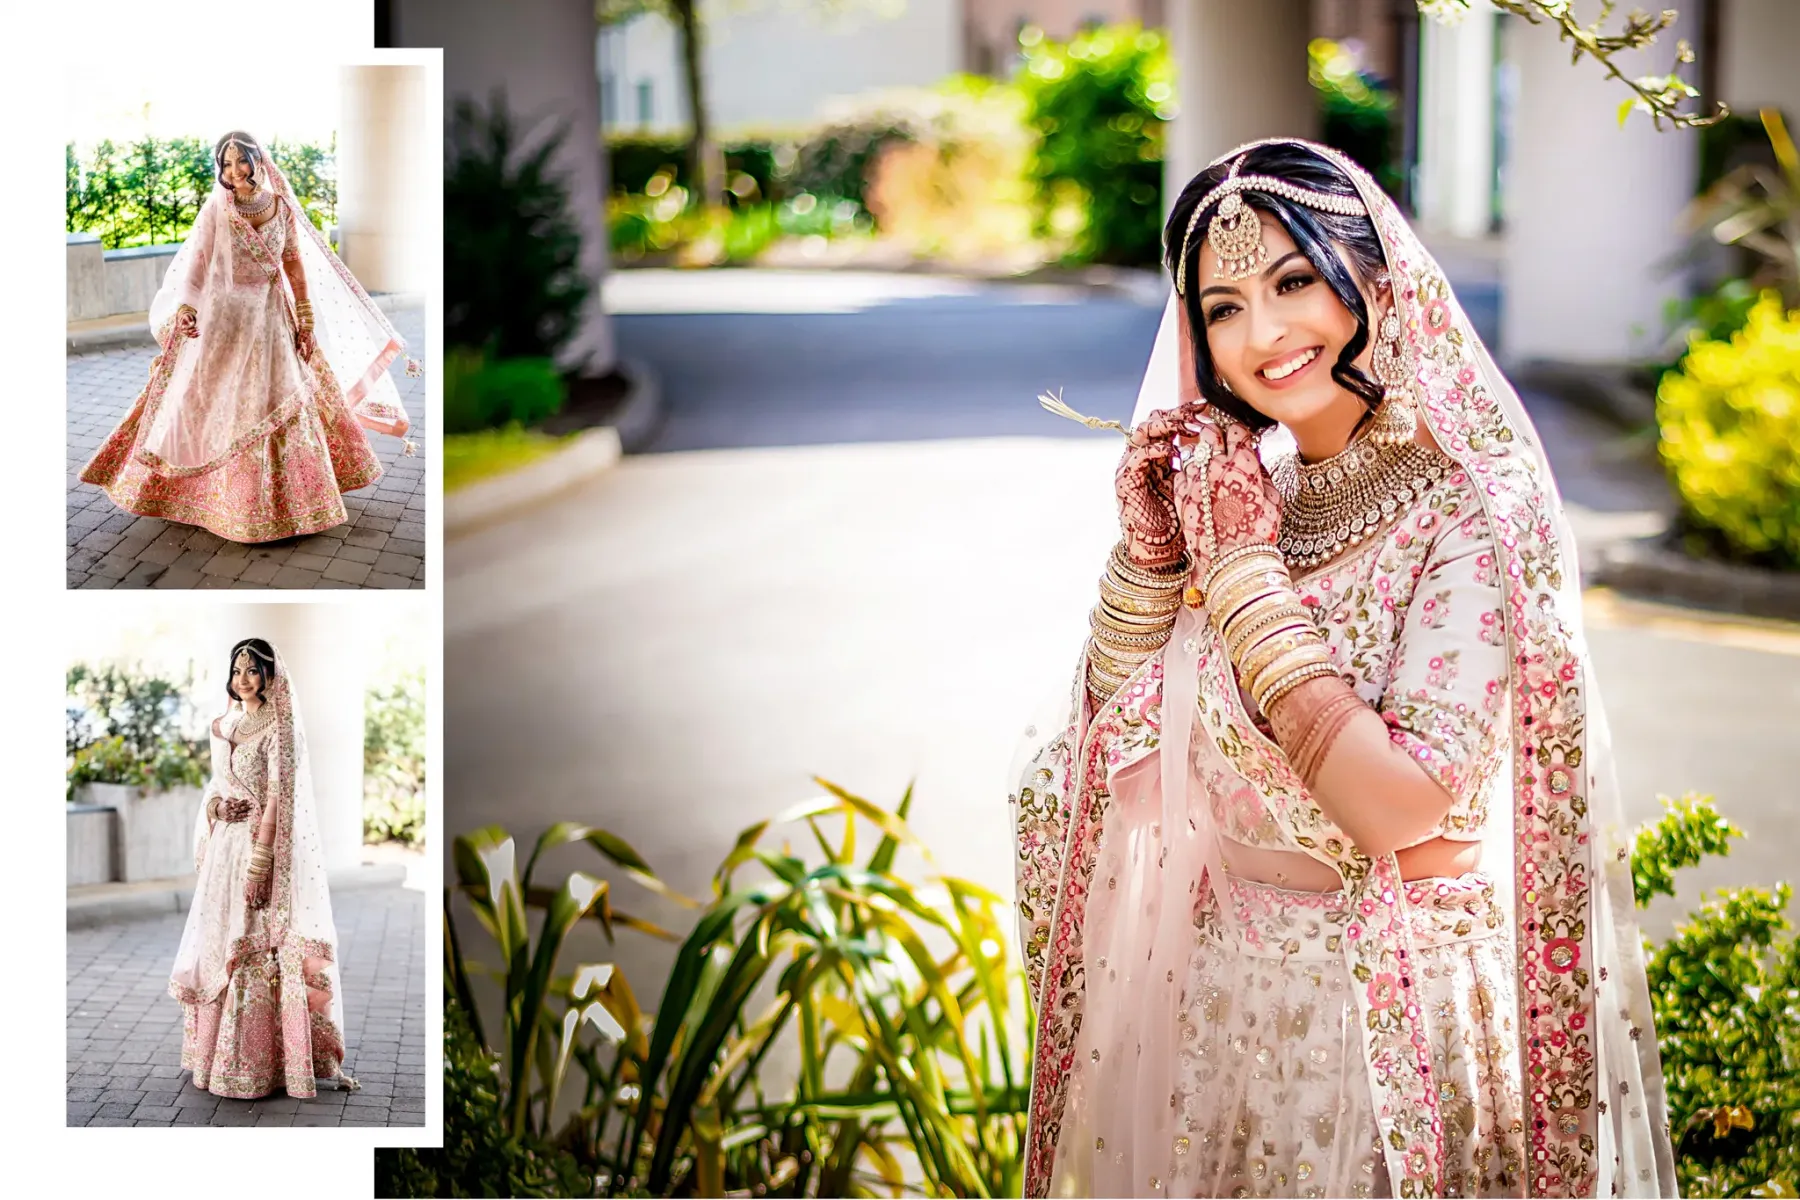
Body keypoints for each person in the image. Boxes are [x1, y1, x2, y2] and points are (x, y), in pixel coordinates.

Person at [1010, 139, 1675, 1198]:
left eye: (1291, 282)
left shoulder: (1474, 508)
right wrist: (1149, 562)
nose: (1262, 334)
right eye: (1222, 307)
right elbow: (1104, 757)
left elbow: (1400, 806)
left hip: (1389, 1024)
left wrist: (1237, 577)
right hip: (1222, 1015)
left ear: (1375, 277)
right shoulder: (1244, 486)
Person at [80, 131, 416, 544]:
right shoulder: (217, 209)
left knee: (277, 398)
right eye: (226, 163)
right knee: (217, 401)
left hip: (272, 317)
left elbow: (294, 267)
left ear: (259, 161)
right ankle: (220, 502)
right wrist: (187, 307)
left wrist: (305, 320)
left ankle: (292, 505)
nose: (234, 170)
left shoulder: (280, 208)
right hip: (224, 321)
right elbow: (197, 266)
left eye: (241, 160)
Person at [168, 638, 359, 1098]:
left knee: (254, 945)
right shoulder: (225, 724)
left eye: (253, 670)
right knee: (222, 940)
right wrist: (215, 808)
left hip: (259, 850)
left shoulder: (280, 728)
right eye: (237, 670)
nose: (243, 679)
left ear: (270, 675)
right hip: (225, 852)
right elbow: (216, 785)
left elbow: (279, 798)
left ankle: (264, 1064)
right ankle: (215, 1057)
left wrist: (261, 862)